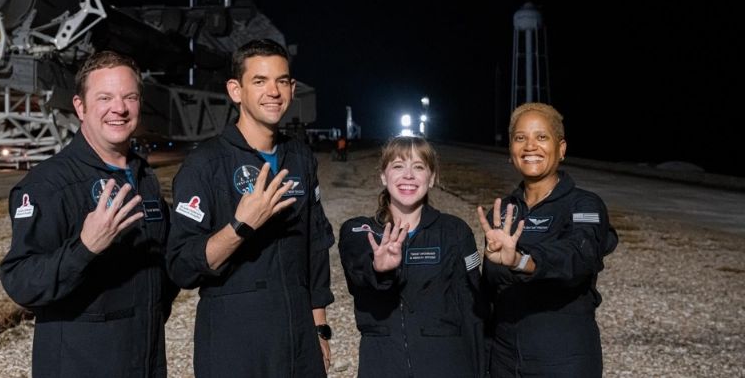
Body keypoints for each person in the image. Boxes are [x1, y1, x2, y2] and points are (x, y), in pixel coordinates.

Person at [0, 51, 178, 377]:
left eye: (129, 97)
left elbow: (162, 273)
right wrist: (85, 247)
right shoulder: (49, 185)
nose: (119, 108)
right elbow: (21, 282)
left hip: (145, 363)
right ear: (80, 107)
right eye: (105, 97)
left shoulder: (144, 179)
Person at [166, 39, 336, 377]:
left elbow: (314, 249)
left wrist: (319, 328)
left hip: (297, 335)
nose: (274, 91)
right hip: (235, 340)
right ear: (236, 90)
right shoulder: (205, 164)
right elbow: (182, 267)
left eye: (282, 81)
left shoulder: (300, 158)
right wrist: (239, 227)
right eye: (259, 81)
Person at [477, 102, 618, 377]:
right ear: (511, 151)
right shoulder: (504, 211)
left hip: (563, 359)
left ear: (561, 149)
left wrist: (521, 260)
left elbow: (578, 257)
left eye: (542, 137)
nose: (530, 146)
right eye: (520, 138)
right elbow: (488, 296)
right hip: (505, 360)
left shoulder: (584, 205)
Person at [339, 136, 486, 378]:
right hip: (383, 365)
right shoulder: (360, 230)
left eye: (419, 167)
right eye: (398, 166)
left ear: (432, 178)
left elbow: (473, 310)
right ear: (383, 176)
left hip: (447, 366)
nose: (408, 175)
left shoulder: (454, 231)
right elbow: (359, 276)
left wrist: (482, 370)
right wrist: (380, 269)